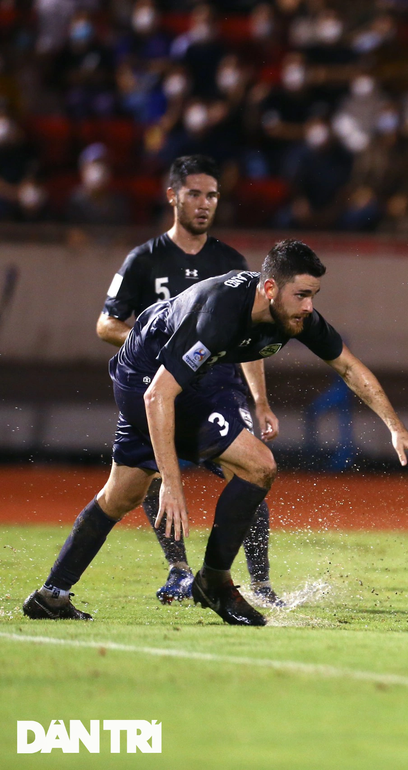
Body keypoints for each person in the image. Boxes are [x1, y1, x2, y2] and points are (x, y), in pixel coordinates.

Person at [24, 240, 408, 626]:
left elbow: (349, 368)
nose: (309, 306)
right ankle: (214, 582)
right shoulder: (216, 315)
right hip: (146, 375)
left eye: (313, 295)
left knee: (122, 494)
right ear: (270, 288)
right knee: (258, 465)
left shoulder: (292, 315)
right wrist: (171, 482)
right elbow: (157, 396)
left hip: (191, 377)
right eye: (302, 295)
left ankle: (51, 595)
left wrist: (397, 428)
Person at [97, 155, 285, 606]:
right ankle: (179, 570)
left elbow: (254, 337)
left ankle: (259, 583)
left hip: (220, 387)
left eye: (212, 196)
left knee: (251, 470)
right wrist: (153, 344)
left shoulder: (230, 260)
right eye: (195, 194)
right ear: (173, 197)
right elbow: (107, 324)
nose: (204, 204)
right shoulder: (143, 259)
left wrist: (260, 399)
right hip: (166, 385)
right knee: (153, 474)